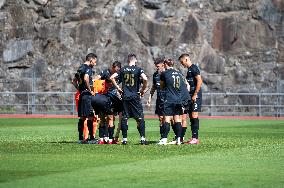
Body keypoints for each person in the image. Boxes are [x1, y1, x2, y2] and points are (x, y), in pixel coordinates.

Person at [110, 54, 148, 145]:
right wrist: (142, 90)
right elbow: (145, 78)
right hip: (135, 96)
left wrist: (118, 88)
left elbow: (112, 77)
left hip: (125, 96)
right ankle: (142, 139)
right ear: (136, 60)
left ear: (128, 60)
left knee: (125, 118)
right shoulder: (138, 69)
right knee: (139, 118)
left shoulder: (123, 69)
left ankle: (124, 139)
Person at [158, 58, 189, 145]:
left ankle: (164, 139)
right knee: (177, 119)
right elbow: (184, 85)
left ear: (165, 64)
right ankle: (178, 139)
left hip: (169, 99)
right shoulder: (179, 74)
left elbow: (161, 86)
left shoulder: (164, 73)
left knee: (167, 119)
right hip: (178, 99)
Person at [71, 53, 97, 144]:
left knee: (82, 117)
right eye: (95, 61)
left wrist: (80, 89)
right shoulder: (88, 68)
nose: (95, 63)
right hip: (87, 95)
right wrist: (90, 90)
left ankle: (80, 138)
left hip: (82, 94)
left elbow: (73, 81)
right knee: (90, 116)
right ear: (91, 60)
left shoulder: (80, 68)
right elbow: (86, 78)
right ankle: (92, 138)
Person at [94, 61, 122, 144]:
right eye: (115, 69)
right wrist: (96, 83)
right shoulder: (105, 72)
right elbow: (96, 78)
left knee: (111, 117)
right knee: (103, 118)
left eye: (117, 70)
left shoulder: (119, 74)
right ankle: (103, 139)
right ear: (113, 67)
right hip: (104, 97)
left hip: (113, 98)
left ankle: (109, 138)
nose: (116, 71)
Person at [179, 53, 203, 144]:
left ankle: (195, 138)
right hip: (190, 95)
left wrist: (195, 94)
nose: (182, 64)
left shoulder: (194, 68)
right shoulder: (189, 70)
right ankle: (193, 137)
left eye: (182, 62)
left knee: (194, 115)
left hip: (195, 95)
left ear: (186, 60)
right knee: (190, 116)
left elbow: (200, 81)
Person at [146, 58, 165, 137]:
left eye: (158, 66)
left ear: (163, 65)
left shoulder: (167, 74)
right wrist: (150, 98)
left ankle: (177, 137)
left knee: (171, 119)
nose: (157, 68)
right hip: (159, 99)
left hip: (168, 99)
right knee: (160, 118)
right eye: (156, 66)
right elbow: (154, 87)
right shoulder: (155, 75)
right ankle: (162, 137)